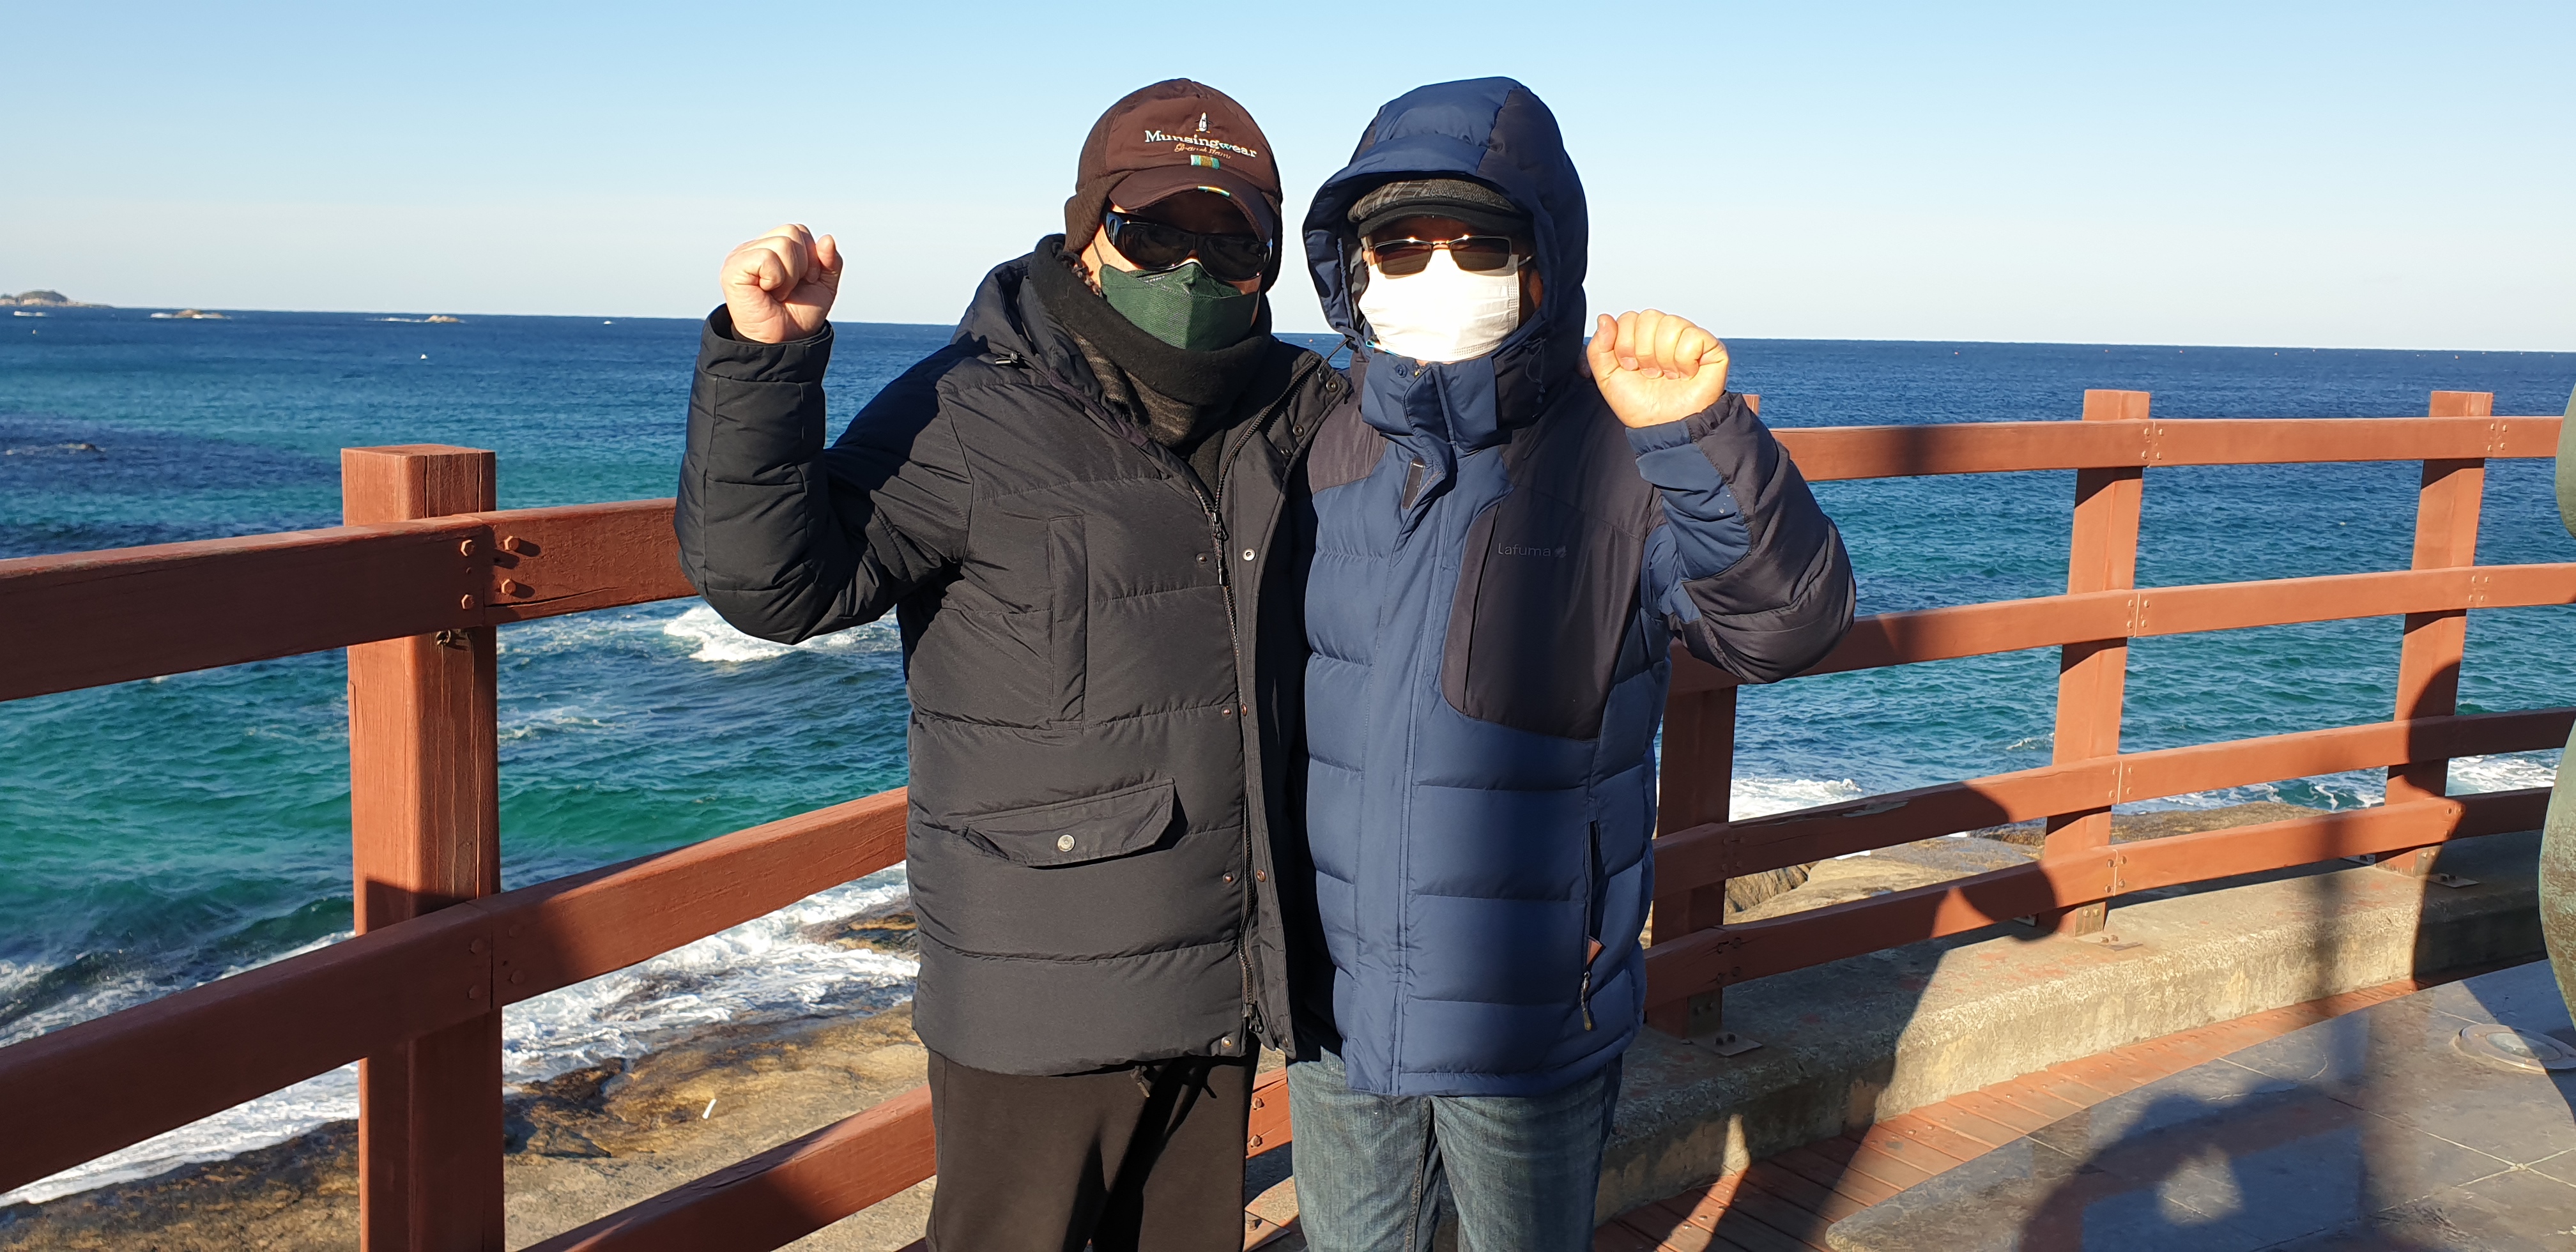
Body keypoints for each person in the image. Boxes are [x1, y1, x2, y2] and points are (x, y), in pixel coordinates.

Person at [673, 80, 1346, 1252]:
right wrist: (764, 361)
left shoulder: (1295, 409)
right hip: (1039, 985)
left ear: (1268, 264)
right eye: (1155, 232)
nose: (1192, 268)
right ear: (1088, 235)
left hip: (1221, 971)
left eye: (1231, 241)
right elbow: (778, 585)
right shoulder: (968, 408)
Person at [1281, 78, 1858, 1251]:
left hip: (1534, 1007)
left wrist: (1694, 430)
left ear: (1544, 263)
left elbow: (1788, 624)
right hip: (1340, 997)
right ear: (1355, 272)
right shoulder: (1324, 443)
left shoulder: (1622, 455)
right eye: (1401, 247)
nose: (1438, 272)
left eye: (1478, 244)